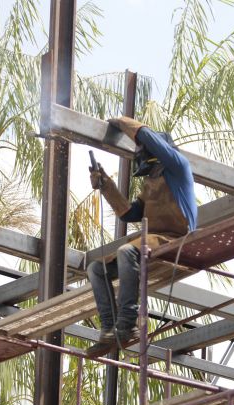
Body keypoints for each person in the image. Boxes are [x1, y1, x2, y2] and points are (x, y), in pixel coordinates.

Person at [86, 116, 197, 355]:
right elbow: (129, 213)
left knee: (127, 251)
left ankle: (127, 323)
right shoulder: (151, 183)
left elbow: (147, 137)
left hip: (176, 237)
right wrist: (105, 184)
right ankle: (109, 328)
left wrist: (122, 122)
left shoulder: (178, 167)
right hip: (153, 237)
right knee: (96, 269)